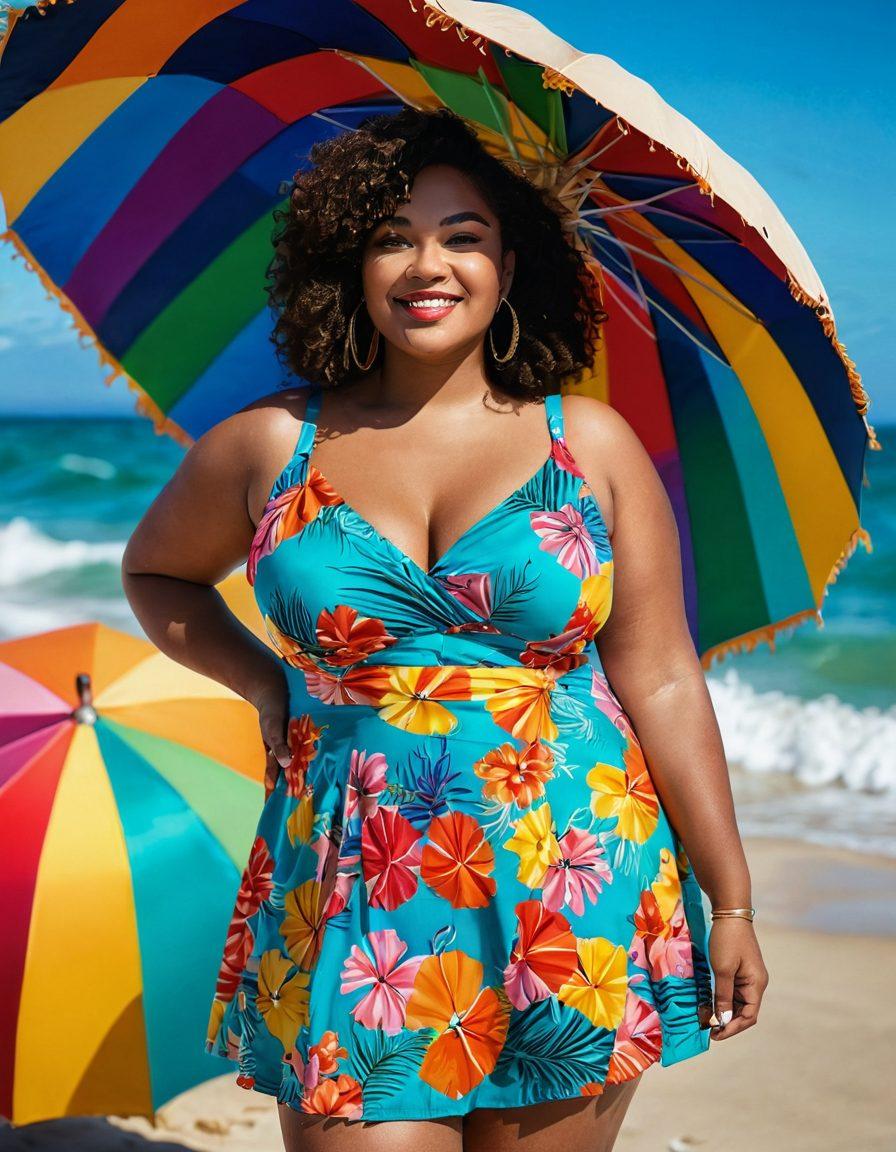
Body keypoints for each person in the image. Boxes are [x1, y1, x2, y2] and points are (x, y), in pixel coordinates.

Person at [122, 106, 767, 1152]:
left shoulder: (588, 445)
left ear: (509, 267)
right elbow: (159, 575)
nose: (428, 264)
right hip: (351, 878)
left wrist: (730, 901)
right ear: (351, 265)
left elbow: (657, 678)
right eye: (392, 237)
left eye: (461, 236)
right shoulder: (268, 445)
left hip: (573, 869)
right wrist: (266, 684)